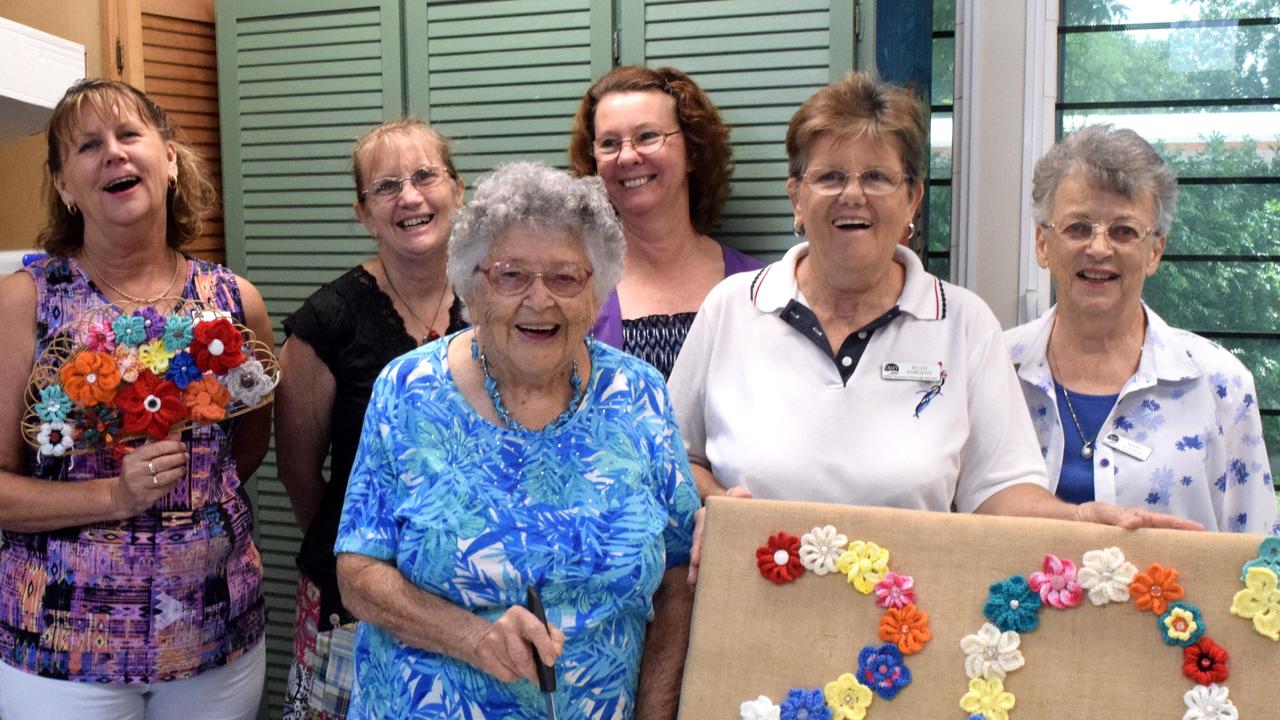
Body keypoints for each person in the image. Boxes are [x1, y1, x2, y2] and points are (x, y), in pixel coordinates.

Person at [668, 72, 1202, 536]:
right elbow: (670, 457)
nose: (853, 194)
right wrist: (715, 503)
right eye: (830, 176)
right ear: (796, 197)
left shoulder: (964, 323)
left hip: (903, 626)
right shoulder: (732, 307)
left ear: (913, 199)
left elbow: (998, 492)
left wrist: (1079, 521)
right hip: (749, 608)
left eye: (878, 176)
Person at [334, 162, 699, 719]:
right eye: (510, 275)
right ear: (471, 286)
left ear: (596, 290)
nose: (539, 299)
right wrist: (471, 637)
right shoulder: (408, 391)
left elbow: (677, 577)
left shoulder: (639, 394)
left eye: (565, 277)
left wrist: (655, 713)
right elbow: (358, 575)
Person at [0, 79, 270, 719]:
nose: (114, 154)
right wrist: (115, 497)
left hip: (216, 637)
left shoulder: (234, 303)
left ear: (169, 158)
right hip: (62, 651)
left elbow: (242, 452)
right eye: (88, 146)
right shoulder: (26, 302)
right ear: (65, 185)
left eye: (129, 135)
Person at [275, 118, 468, 719]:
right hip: (350, 602)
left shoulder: (501, 299)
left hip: (473, 597)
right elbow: (301, 474)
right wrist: (360, 555)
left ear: (458, 190)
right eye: (385, 186)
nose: (409, 197)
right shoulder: (327, 323)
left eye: (424, 176)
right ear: (363, 212)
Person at [1005, 124, 1277, 534]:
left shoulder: (1220, 384)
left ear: (1154, 251)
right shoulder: (995, 369)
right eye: (1078, 227)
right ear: (1043, 244)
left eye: (1124, 231)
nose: (1099, 249)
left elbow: (1257, 554)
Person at [568, 65, 762, 377]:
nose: (627, 156)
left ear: (693, 152)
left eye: (647, 136)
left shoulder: (761, 288)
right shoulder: (572, 292)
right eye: (609, 143)